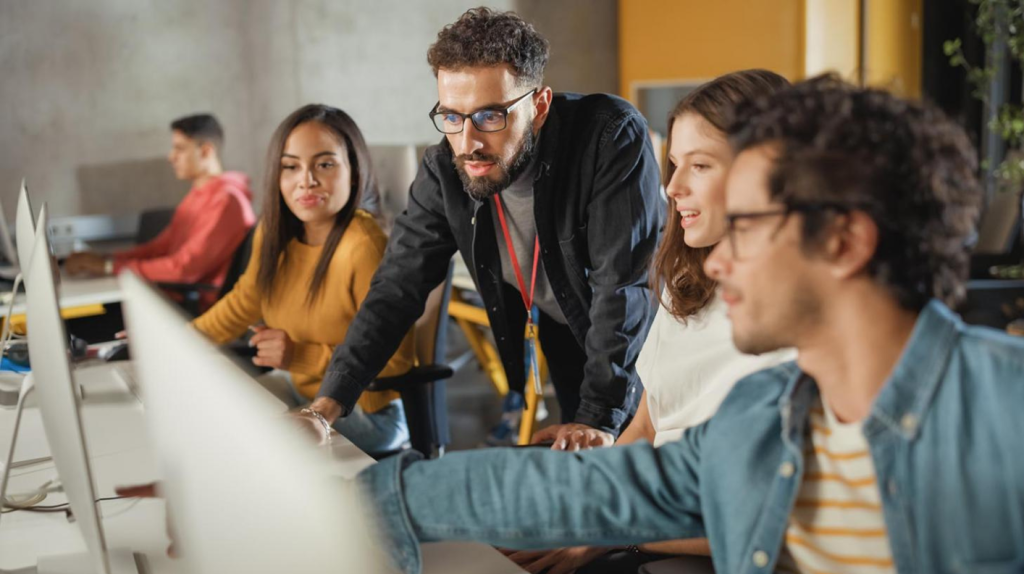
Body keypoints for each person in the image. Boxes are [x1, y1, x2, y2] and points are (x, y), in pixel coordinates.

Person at [353, 76, 1024, 574]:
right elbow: (595, 489)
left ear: (844, 242)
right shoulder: (761, 421)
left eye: (748, 226)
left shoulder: (1004, 413)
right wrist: (381, 496)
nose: (721, 257)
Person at [300, 8, 662, 449]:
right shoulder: (444, 170)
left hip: (651, 339)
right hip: (568, 331)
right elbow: (396, 289)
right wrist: (324, 408)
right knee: (593, 480)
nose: (469, 142)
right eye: (451, 116)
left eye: (491, 116)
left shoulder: (609, 136)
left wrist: (599, 417)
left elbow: (620, 287)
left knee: (650, 471)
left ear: (540, 106)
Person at [509, 69, 795, 574]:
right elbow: (647, 422)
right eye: (674, 164)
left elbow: (771, 519)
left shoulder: (797, 326)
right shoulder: (688, 286)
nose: (671, 187)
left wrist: (613, 534)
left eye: (700, 166)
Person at [193, 104, 414, 456]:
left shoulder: (364, 245)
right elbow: (243, 301)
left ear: (354, 172)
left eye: (324, 165)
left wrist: (299, 356)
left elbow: (398, 359)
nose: (306, 180)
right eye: (291, 166)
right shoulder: (274, 232)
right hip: (301, 392)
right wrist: (177, 339)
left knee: (250, 444)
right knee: (211, 416)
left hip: (368, 414)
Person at [66, 114, 255, 311]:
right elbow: (160, 247)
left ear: (206, 151)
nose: (171, 156)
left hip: (191, 308)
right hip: (170, 295)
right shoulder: (199, 194)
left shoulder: (226, 201)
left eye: (180, 148)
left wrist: (109, 267)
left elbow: (184, 269)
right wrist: (107, 259)